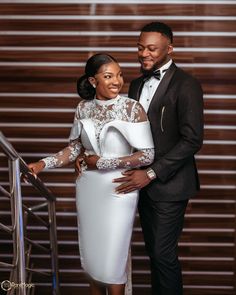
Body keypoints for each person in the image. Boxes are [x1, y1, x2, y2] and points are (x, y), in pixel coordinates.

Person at [28, 53, 154, 295]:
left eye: (119, 75)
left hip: (119, 190)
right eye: (108, 76)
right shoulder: (83, 107)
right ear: (93, 81)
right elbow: (74, 148)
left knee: (113, 260)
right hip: (88, 189)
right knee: (94, 257)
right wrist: (42, 164)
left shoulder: (132, 108)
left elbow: (147, 155)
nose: (117, 81)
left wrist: (103, 163)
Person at [112, 22, 204, 295]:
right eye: (140, 48)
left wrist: (151, 173)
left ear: (169, 48)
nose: (144, 54)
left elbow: (192, 139)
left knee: (163, 256)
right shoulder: (137, 83)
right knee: (155, 254)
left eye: (151, 48)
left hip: (170, 185)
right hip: (140, 186)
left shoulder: (187, 85)